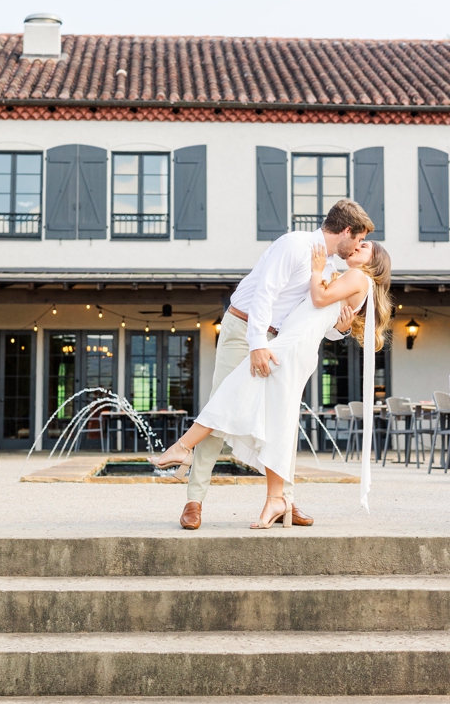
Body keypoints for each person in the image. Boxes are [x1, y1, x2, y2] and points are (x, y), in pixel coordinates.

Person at [153, 198, 371, 530]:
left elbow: (315, 324)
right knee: (221, 407)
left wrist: (341, 326)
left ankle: (285, 500)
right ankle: (194, 500)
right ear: (345, 230)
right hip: (244, 329)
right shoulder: (295, 245)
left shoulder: (328, 270)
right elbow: (264, 295)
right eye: (358, 239)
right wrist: (256, 343)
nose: (358, 246)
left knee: (281, 419)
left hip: (277, 343)